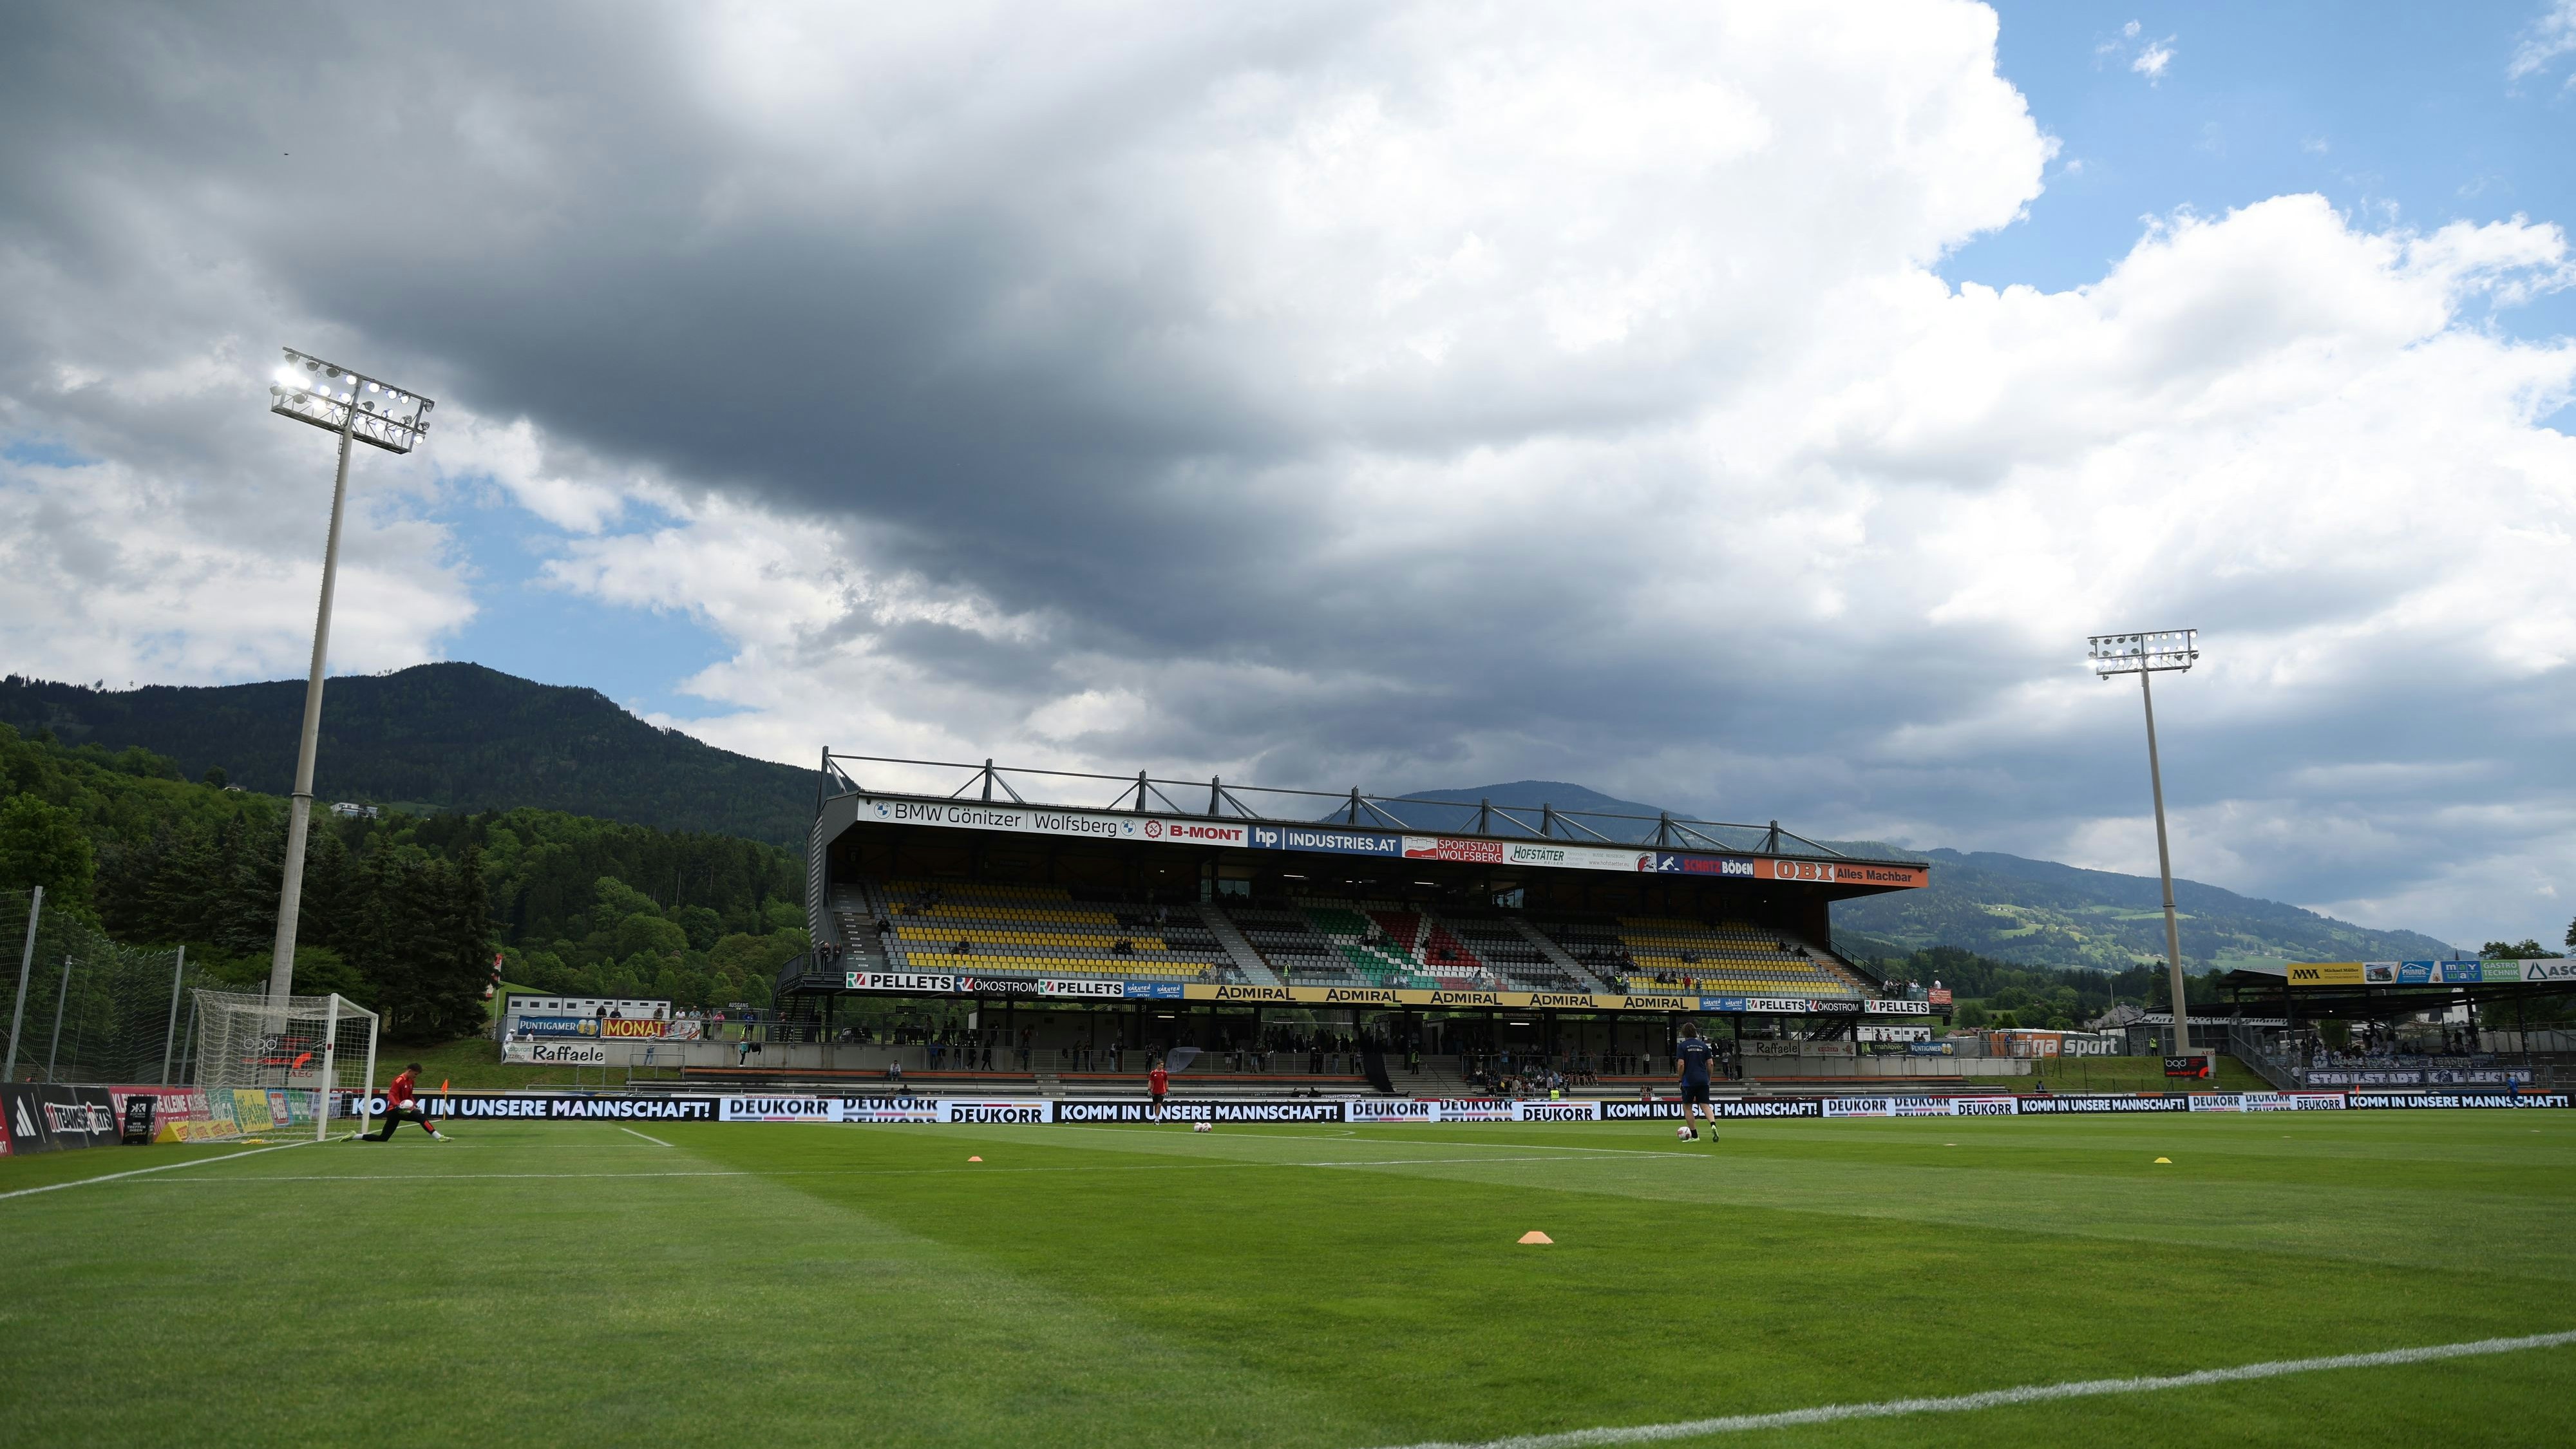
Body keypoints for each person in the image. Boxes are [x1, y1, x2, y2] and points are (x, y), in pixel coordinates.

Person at [363, 1062, 446, 1142]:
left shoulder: (411, 1081)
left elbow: (410, 1096)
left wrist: (415, 1106)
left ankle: (356, 1136)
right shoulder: (399, 1080)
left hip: (401, 1111)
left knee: (383, 1138)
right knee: (421, 1117)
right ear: (410, 1071)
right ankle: (439, 1137)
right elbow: (391, 1095)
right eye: (415, 1074)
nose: (416, 1076)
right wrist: (397, 1105)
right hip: (395, 1110)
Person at [1676, 1023, 1718, 1144]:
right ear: (1695, 1032)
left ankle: (1695, 1136)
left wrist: (1680, 1080)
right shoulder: (1704, 1046)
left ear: (1684, 1033)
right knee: (1705, 1105)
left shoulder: (1682, 1046)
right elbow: (1710, 1064)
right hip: (1703, 1079)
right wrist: (1708, 1078)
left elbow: (1681, 1064)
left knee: (1687, 1107)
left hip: (1689, 1080)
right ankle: (1713, 1124)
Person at [1147, 1056, 1170, 1121]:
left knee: (1159, 1105)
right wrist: (1149, 1089)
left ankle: (1157, 1119)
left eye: (1163, 1065)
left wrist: (1167, 1089)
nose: (1162, 1066)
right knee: (1155, 1106)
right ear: (1158, 1065)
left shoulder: (1164, 1073)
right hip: (1154, 1091)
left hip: (1162, 1091)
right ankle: (1156, 1117)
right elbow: (1150, 1081)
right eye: (1161, 1065)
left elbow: (1166, 1081)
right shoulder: (1153, 1073)